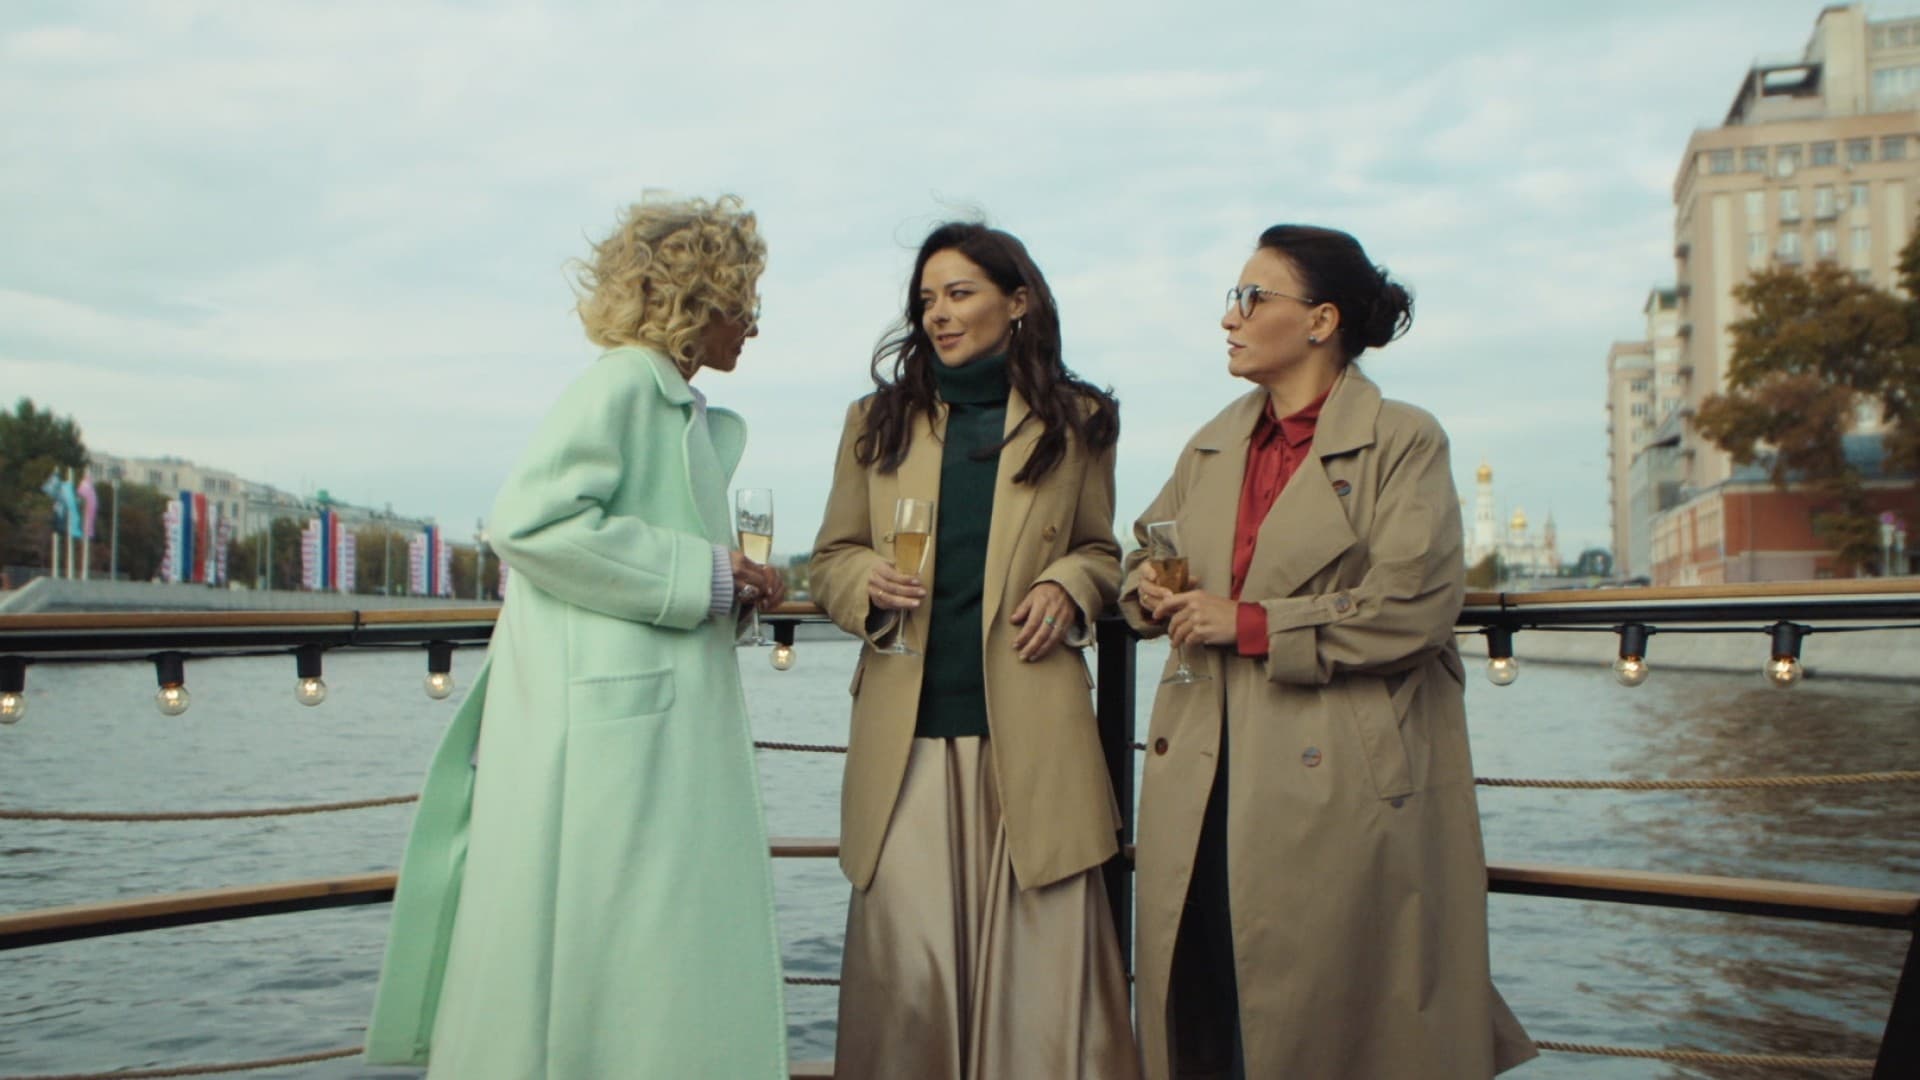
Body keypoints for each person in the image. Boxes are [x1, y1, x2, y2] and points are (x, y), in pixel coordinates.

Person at [366, 194, 790, 1078]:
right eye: (741, 300)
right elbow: (530, 521)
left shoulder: (663, 399)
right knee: (628, 961)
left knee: (632, 963)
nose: (752, 323)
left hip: (628, 724)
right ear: (698, 300)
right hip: (613, 742)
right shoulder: (627, 383)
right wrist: (704, 576)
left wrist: (730, 588)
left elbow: (612, 546)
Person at [1122, 225, 1537, 1078]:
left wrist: (1251, 624)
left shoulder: (1403, 439)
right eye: (1233, 299)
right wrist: (1148, 592)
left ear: (1320, 321)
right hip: (1205, 768)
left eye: (1252, 298)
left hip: (1336, 778)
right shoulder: (1212, 444)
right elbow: (1146, 548)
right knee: (1213, 1004)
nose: (1230, 318)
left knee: (1325, 1016)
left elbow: (1414, 604)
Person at [810, 222, 1140, 1080]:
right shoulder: (876, 421)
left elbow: (1102, 551)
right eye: (927, 300)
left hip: (1035, 740)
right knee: (907, 983)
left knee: (1043, 995)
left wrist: (1069, 583)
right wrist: (863, 581)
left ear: (1017, 301)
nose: (939, 315)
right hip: (905, 742)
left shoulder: (1079, 420)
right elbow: (831, 556)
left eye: (959, 294)